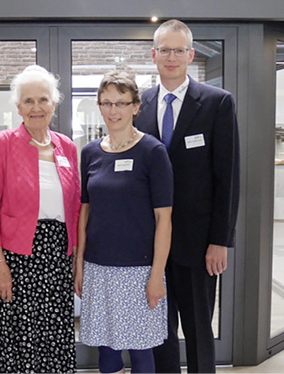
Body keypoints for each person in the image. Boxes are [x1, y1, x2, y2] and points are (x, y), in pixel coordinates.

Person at [134, 19, 240, 373]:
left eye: (179, 50)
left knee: (198, 330)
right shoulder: (140, 104)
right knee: (159, 332)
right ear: (153, 55)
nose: (172, 57)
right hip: (151, 247)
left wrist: (220, 241)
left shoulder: (216, 103)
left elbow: (227, 178)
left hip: (198, 246)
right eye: (165, 50)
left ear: (191, 55)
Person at [0, 65, 80, 373]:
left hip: (58, 257)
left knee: (54, 336)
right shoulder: (1, 144)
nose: (36, 107)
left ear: (54, 103)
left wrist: (76, 261)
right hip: (16, 258)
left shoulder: (68, 147)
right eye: (29, 101)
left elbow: (75, 209)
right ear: (18, 106)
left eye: (43, 99)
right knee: (17, 340)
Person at [75, 71, 174, 373]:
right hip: (98, 268)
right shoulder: (90, 152)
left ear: (135, 107)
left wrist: (157, 274)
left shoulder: (152, 152)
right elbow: (84, 212)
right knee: (107, 350)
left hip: (139, 271)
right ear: (99, 107)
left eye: (121, 103)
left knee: (142, 352)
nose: (113, 111)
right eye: (106, 103)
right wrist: (79, 264)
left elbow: (164, 219)